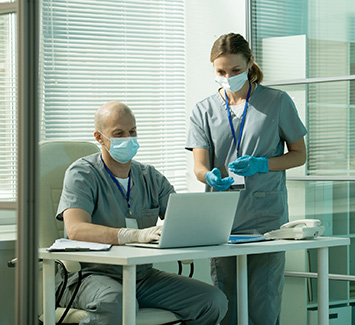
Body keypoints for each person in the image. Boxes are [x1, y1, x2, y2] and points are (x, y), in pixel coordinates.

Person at [55, 101, 228, 324]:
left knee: (212, 300)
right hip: (89, 275)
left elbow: (185, 218)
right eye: (119, 133)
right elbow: (76, 229)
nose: (128, 138)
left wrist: (213, 221)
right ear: (99, 137)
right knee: (115, 300)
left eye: (133, 131)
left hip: (140, 276)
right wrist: (133, 235)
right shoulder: (82, 173)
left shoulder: (150, 176)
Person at [186, 33, 307, 324]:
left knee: (263, 305)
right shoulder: (203, 110)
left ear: (250, 63)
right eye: (221, 72)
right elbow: (199, 166)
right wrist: (210, 176)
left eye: (236, 70)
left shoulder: (277, 102)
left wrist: (263, 164)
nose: (228, 77)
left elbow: (299, 155)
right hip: (222, 219)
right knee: (226, 303)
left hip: (265, 219)